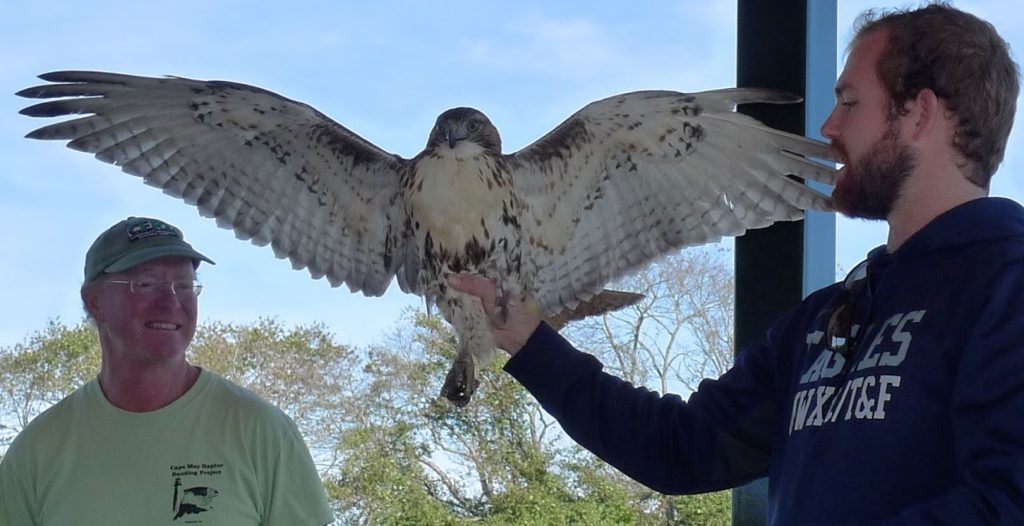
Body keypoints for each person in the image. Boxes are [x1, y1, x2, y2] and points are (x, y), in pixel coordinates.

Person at [449, 3, 1024, 524]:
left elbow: (1007, 502)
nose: (829, 126)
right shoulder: (823, 320)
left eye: (849, 102)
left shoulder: (1006, 281)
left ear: (920, 114)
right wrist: (528, 341)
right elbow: (681, 447)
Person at [0, 216, 335, 525]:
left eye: (184, 286)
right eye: (145, 285)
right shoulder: (38, 451)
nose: (170, 302)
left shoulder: (264, 433)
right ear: (94, 302)